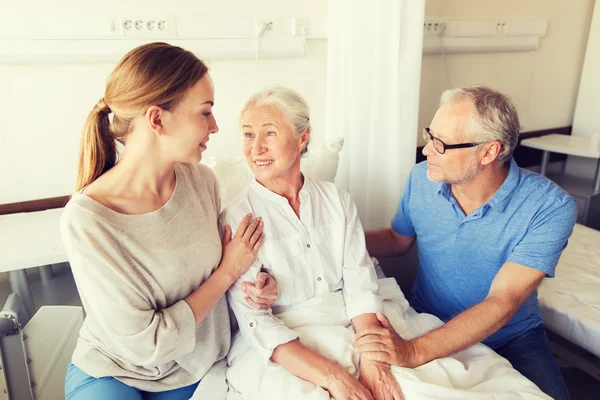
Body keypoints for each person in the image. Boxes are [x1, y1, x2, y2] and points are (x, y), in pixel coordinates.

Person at [60, 42, 276, 400]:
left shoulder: (202, 182)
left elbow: (233, 259)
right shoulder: (88, 221)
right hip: (116, 372)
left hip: (197, 367)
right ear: (157, 120)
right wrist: (228, 273)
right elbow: (148, 343)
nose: (216, 126)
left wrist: (259, 281)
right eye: (205, 112)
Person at [359, 85, 577, 400]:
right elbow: (397, 239)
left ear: (488, 151)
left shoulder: (549, 207)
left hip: (512, 338)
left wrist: (414, 352)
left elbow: (502, 302)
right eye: (428, 136)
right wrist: (334, 240)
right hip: (425, 321)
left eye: (440, 143)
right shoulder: (422, 179)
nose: (426, 151)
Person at [221, 86, 404, 400]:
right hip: (285, 346)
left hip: (352, 326)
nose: (257, 148)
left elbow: (360, 285)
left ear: (302, 138)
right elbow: (254, 320)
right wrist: (334, 378)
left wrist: (374, 362)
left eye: (270, 133)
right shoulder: (238, 217)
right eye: (249, 135)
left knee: (413, 388)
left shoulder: (336, 200)